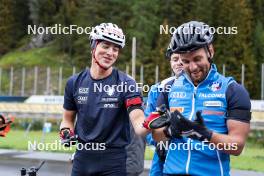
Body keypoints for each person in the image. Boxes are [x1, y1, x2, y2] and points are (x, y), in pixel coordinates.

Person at [150, 21, 251, 176]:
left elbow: (237, 147)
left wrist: (204, 134)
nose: (192, 67)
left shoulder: (232, 90)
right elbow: (157, 137)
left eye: (197, 59)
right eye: (185, 61)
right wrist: (169, 131)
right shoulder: (167, 89)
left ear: (210, 51)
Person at [59, 23, 149, 176]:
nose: (110, 53)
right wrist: (66, 132)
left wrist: (152, 123)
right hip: (82, 159)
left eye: (115, 49)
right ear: (93, 46)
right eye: (106, 46)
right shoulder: (74, 82)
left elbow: (138, 120)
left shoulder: (126, 83)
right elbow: (67, 119)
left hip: (113, 161)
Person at [145, 53, 183, 176]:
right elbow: (148, 123)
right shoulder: (159, 88)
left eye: (183, 59)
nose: (179, 62)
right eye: (175, 59)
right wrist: (159, 143)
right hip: (162, 155)